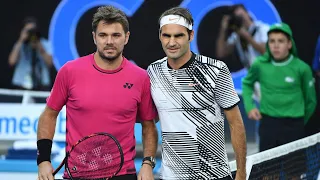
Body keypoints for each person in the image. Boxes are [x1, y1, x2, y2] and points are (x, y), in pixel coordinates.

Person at [37, 6, 158, 180]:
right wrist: (43, 161)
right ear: (94, 37)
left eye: (116, 35)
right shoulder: (69, 71)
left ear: (127, 37)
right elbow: (49, 115)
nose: (109, 41)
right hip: (77, 174)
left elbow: (149, 126)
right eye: (103, 35)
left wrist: (147, 164)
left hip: (123, 175)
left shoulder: (141, 77)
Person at [147, 7, 247, 180]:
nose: (172, 42)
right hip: (171, 176)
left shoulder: (216, 70)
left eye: (178, 35)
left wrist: (241, 172)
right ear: (160, 36)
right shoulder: (153, 71)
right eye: (166, 35)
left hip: (213, 175)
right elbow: (153, 117)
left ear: (191, 36)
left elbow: (236, 124)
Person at [242, 23, 317, 152]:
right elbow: (247, 83)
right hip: (268, 124)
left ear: (289, 44)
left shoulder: (302, 68)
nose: (276, 45)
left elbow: (311, 101)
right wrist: (250, 107)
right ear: (267, 44)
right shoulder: (259, 65)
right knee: (268, 170)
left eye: (280, 41)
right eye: (272, 41)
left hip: (294, 125)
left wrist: (298, 122)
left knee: (294, 171)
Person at [216, 4, 270, 69]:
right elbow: (221, 53)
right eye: (238, 18)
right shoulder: (237, 35)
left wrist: (247, 37)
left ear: (248, 14)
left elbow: (266, 51)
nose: (242, 20)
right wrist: (223, 29)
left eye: (241, 16)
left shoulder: (262, 29)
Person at [8, 16, 53, 91]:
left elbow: (50, 63)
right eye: (28, 31)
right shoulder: (20, 44)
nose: (31, 33)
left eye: (33, 30)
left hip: (41, 84)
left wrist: (39, 45)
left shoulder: (45, 44)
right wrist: (20, 40)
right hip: (22, 84)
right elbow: (11, 62)